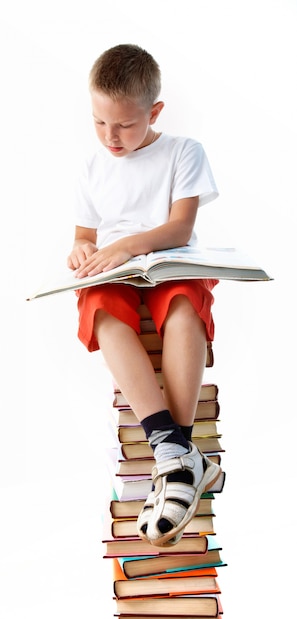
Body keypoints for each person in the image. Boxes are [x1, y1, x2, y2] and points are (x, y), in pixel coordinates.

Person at [67, 43, 221, 547]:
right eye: (99, 123)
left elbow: (180, 228)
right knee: (102, 311)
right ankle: (181, 457)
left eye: (125, 126)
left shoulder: (183, 151)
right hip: (115, 272)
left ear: (154, 112)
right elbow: (83, 236)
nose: (111, 137)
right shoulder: (92, 166)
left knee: (181, 309)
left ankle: (169, 455)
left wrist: (127, 245)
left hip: (167, 262)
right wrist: (81, 250)